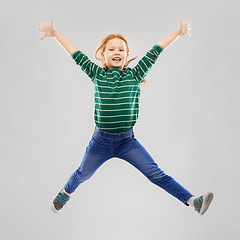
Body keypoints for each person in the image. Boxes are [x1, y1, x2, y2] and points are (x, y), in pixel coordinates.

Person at [38, 18, 214, 216]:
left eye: (121, 50)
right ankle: (65, 193)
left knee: (156, 174)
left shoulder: (135, 74)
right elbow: (75, 53)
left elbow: (156, 50)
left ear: (127, 55)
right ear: (103, 55)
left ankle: (193, 201)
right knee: (82, 174)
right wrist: (55, 34)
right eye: (111, 49)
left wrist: (178, 33)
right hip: (100, 142)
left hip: (127, 142)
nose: (117, 53)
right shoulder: (97, 74)